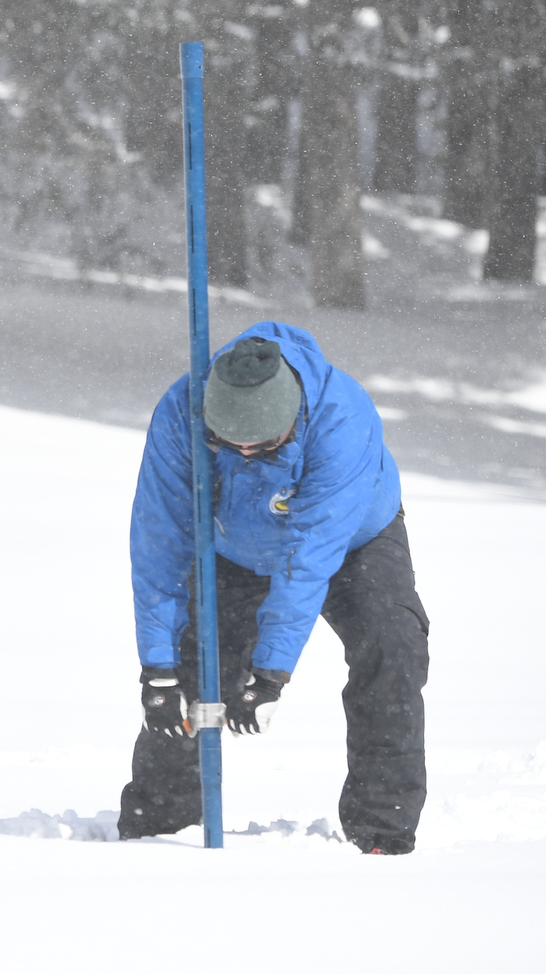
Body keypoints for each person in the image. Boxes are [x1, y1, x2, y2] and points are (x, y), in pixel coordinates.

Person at [121, 322, 428, 854]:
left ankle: (382, 829)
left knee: (393, 644)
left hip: (352, 540)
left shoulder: (341, 419)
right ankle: (157, 826)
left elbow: (308, 560)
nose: (242, 455)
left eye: (260, 447)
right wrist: (158, 669)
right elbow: (160, 542)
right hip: (232, 546)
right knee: (194, 673)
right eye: (225, 443)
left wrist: (269, 676)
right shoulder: (181, 411)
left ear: (292, 422)